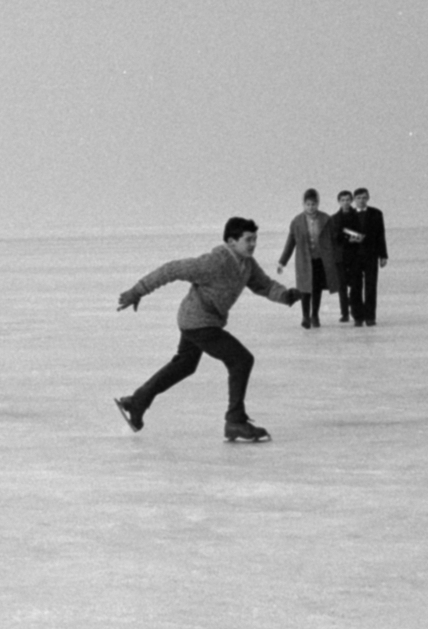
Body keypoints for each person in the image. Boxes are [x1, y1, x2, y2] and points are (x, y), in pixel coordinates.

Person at [114, 217, 300, 442]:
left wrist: (287, 296)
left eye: (255, 239)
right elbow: (171, 269)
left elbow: (265, 285)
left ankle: (137, 402)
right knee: (241, 360)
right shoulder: (215, 263)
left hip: (201, 320)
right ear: (231, 242)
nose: (253, 244)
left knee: (185, 364)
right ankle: (235, 421)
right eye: (248, 240)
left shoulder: (247, 264)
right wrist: (137, 291)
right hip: (198, 321)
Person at [275, 188, 339, 329]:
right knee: (305, 289)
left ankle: (314, 315)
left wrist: (338, 260)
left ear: (318, 204)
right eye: (308, 204)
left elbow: (334, 240)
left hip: (321, 260)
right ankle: (305, 316)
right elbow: (290, 242)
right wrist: (282, 262)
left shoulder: (326, 219)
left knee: (317, 288)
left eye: (313, 204)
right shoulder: (297, 221)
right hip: (304, 261)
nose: (311, 207)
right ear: (303, 204)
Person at [348, 187, 389, 326]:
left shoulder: (376, 213)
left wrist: (383, 255)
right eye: (358, 198)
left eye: (364, 197)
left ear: (368, 198)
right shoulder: (348, 214)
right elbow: (342, 235)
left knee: (371, 286)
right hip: (353, 257)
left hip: (371, 255)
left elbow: (380, 235)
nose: (361, 200)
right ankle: (358, 317)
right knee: (355, 287)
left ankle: (370, 317)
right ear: (354, 199)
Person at [329, 190, 360, 322]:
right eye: (343, 200)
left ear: (352, 201)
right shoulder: (334, 218)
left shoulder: (357, 216)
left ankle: (355, 310)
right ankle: (344, 313)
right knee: (342, 285)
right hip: (340, 256)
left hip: (355, 255)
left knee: (355, 284)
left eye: (348, 200)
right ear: (339, 202)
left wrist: (345, 234)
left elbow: (360, 235)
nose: (346, 202)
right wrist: (348, 235)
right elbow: (333, 238)